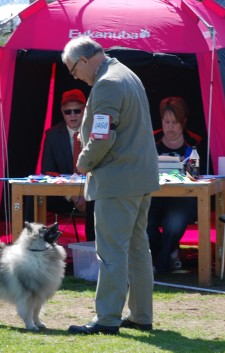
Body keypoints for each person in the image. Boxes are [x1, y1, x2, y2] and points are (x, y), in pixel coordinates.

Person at [61, 36, 159, 335]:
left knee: (111, 252)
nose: (75, 76)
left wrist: (83, 163)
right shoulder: (126, 74)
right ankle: (141, 315)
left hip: (117, 181)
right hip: (140, 178)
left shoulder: (107, 84)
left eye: (73, 69)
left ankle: (107, 319)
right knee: (138, 250)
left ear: (84, 60)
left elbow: (103, 136)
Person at [148, 96, 201, 274]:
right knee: (145, 222)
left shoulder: (195, 142)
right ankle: (169, 255)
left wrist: (190, 169)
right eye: (166, 122)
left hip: (183, 197)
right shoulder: (149, 139)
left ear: (183, 122)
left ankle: (161, 265)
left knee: (174, 223)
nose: (169, 127)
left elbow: (202, 175)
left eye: (174, 122)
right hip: (153, 195)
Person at [41, 89, 95, 241]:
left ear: (85, 110)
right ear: (62, 111)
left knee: (95, 203)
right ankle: (34, 250)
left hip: (93, 191)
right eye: (68, 111)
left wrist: (85, 195)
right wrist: (72, 195)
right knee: (34, 199)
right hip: (64, 194)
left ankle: (93, 250)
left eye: (77, 111)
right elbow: (49, 171)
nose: (72, 115)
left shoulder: (97, 132)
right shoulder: (52, 135)